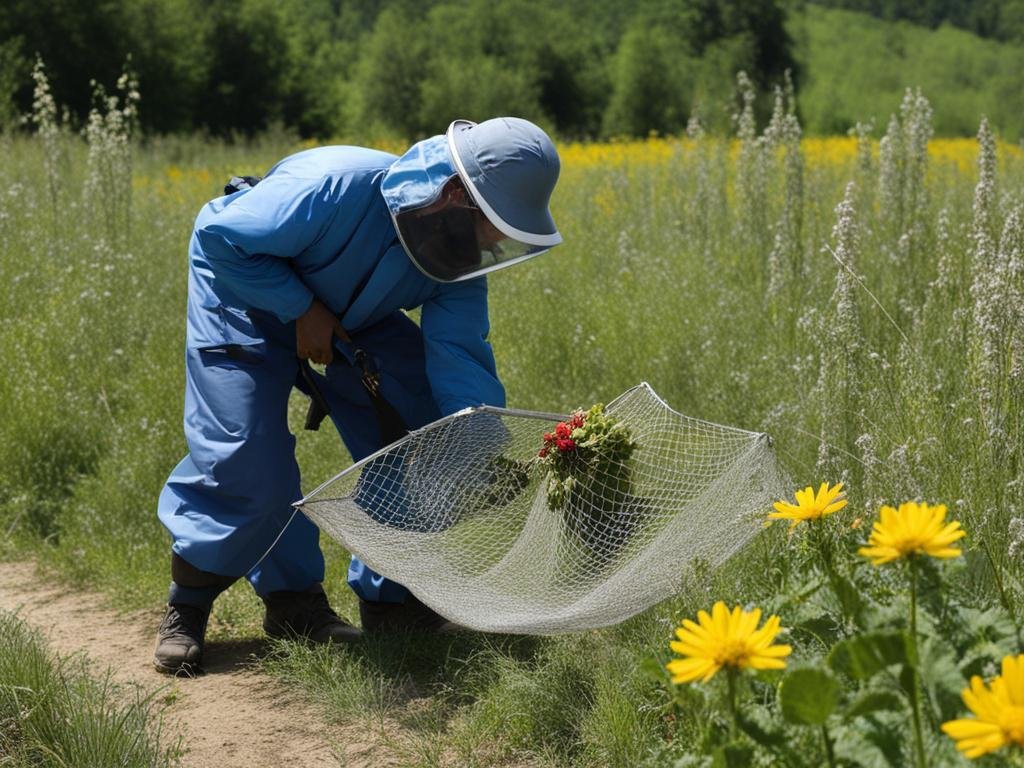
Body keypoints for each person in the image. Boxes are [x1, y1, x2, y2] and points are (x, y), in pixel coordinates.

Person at [154, 117, 562, 674]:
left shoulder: (457, 256)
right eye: (493, 223)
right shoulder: (333, 186)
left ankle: (389, 603)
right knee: (247, 458)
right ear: (453, 193)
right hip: (243, 295)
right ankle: (202, 603)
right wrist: (302, 310)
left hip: (353, 318)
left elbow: (459, 359)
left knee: (426, 440)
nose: (495, 240)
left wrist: (479, 448)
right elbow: (220, 239)